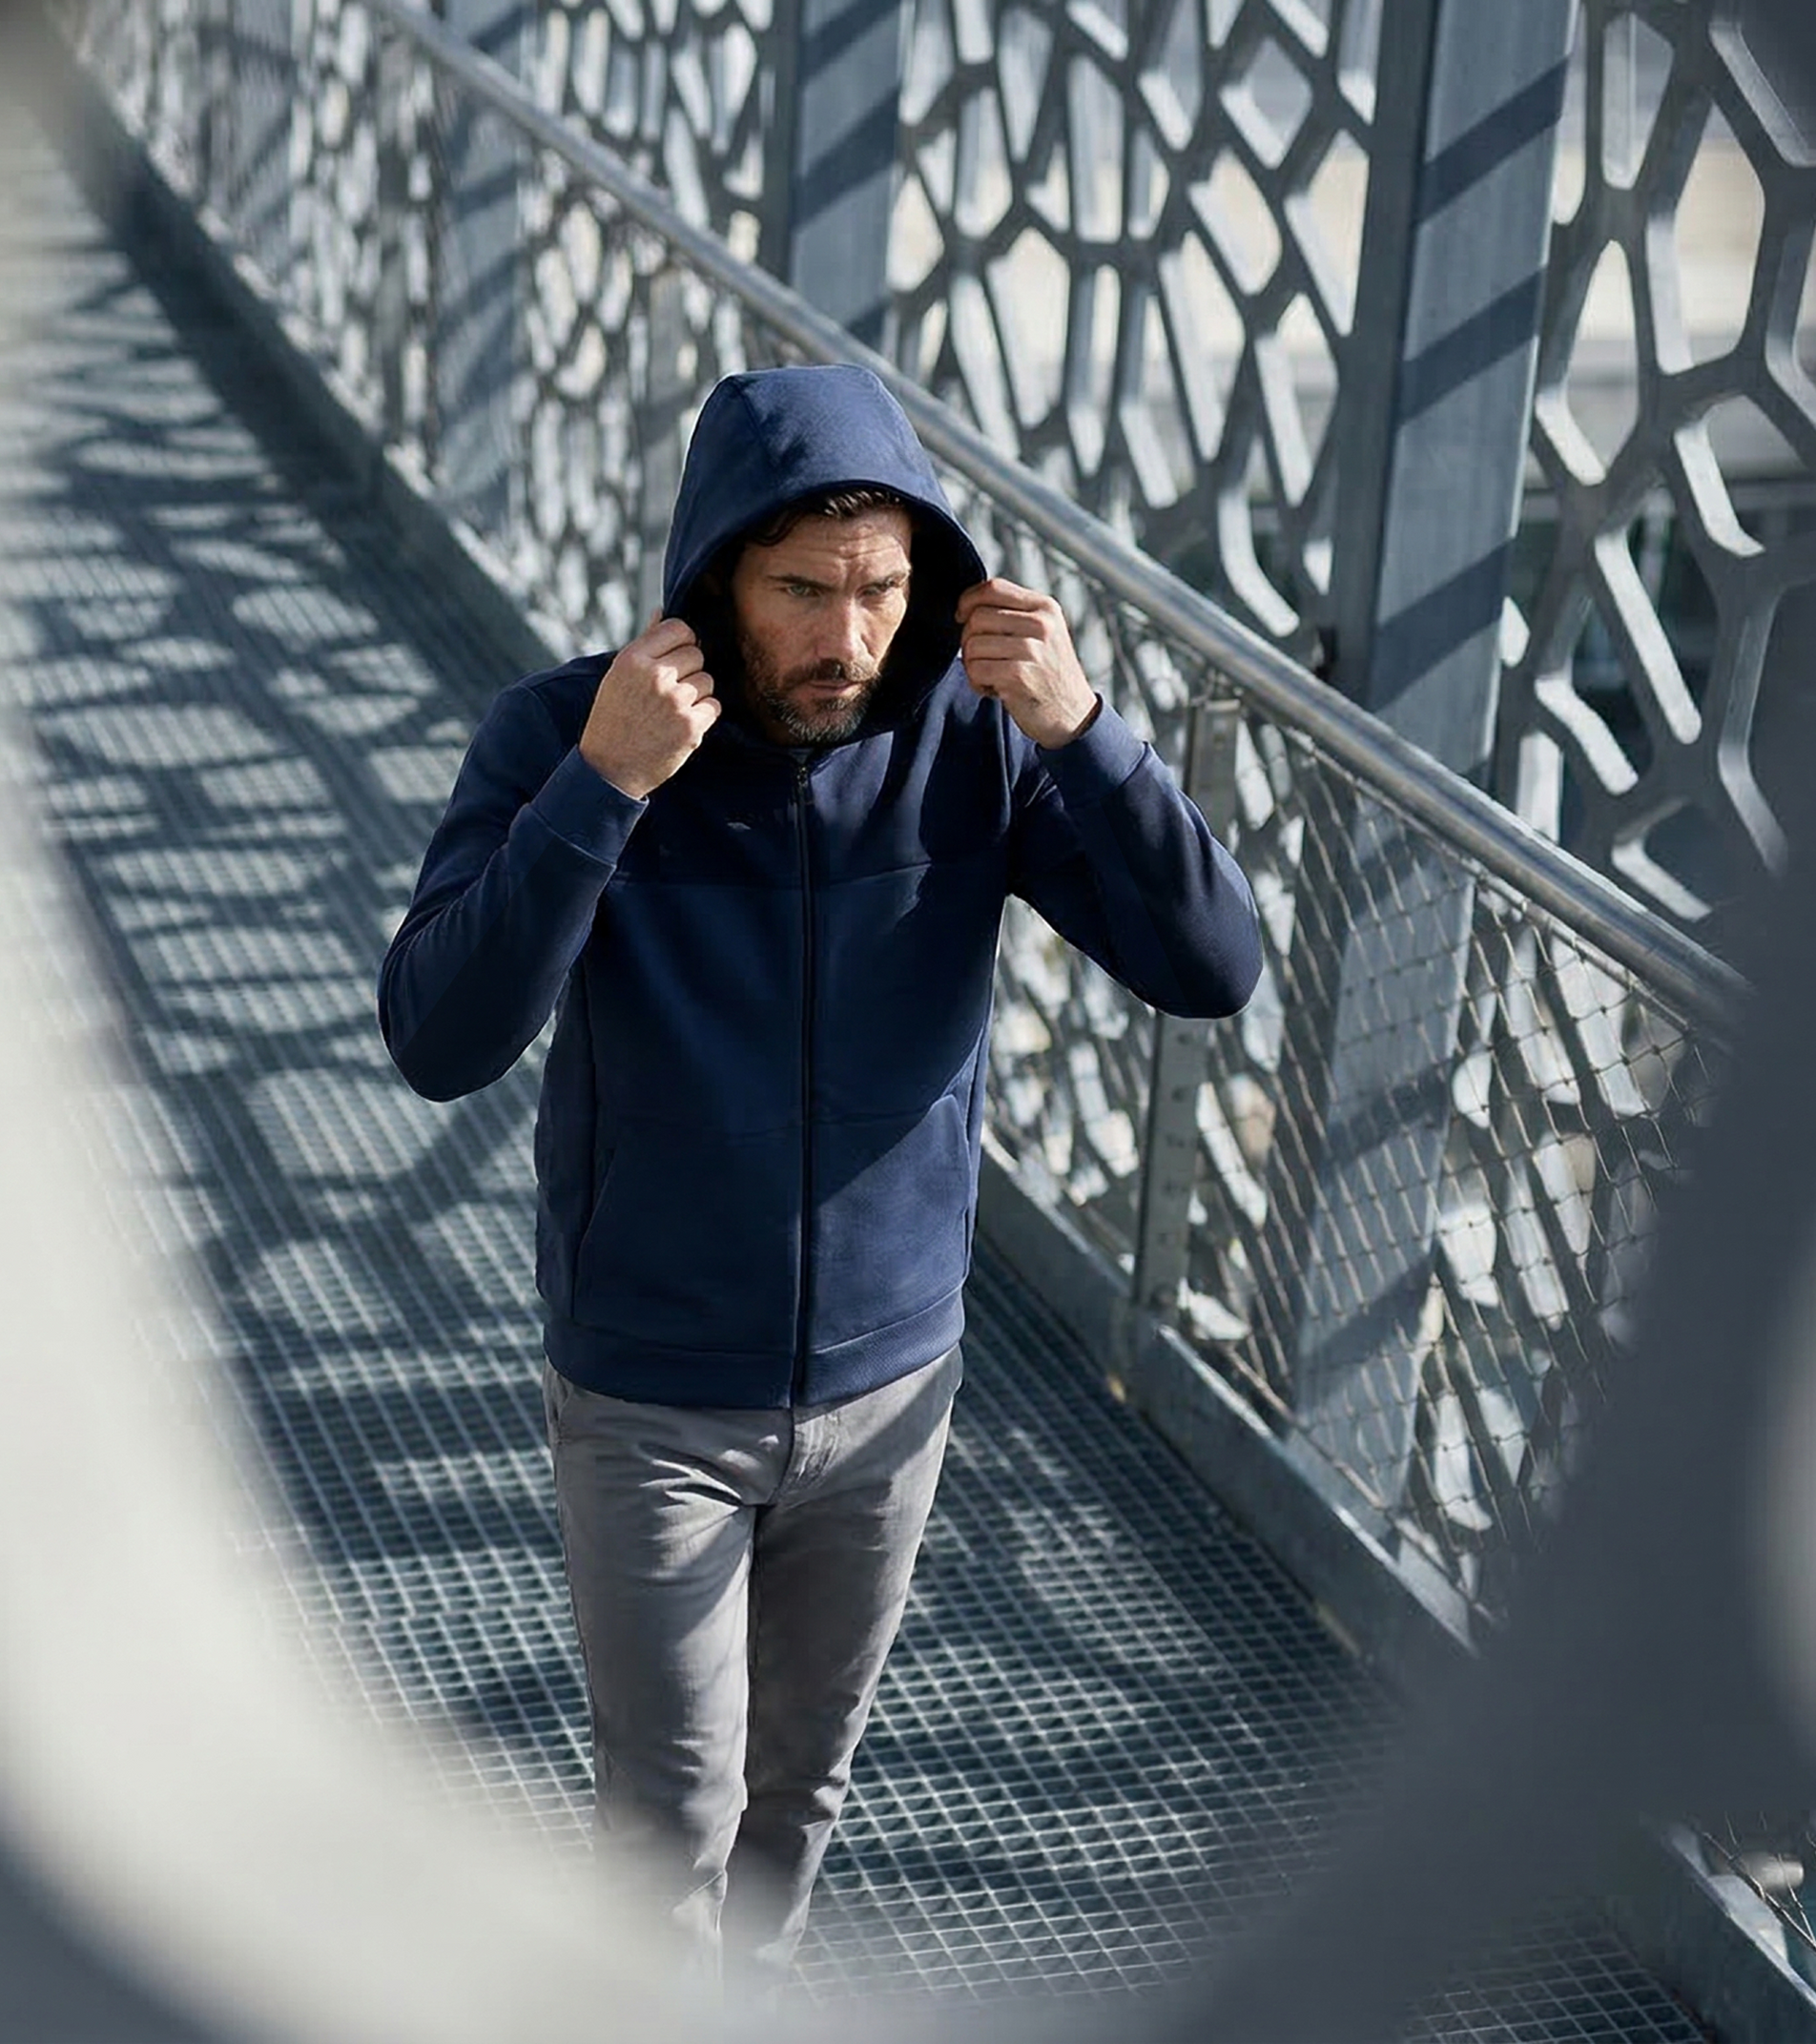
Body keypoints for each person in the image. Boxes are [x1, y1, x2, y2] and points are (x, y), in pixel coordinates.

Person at [374, 363, 1261, 1987]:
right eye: (799, 590)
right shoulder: (565, 731)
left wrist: (1087, 732)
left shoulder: (973, 751)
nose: (843, 638)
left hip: (892, 1385)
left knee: (795, 1800)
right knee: (669, 1819)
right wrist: (603, 788)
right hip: (652, 1390)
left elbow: (1212, 965)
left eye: (878, 592)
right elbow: (439, 1035)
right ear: (716, 577)